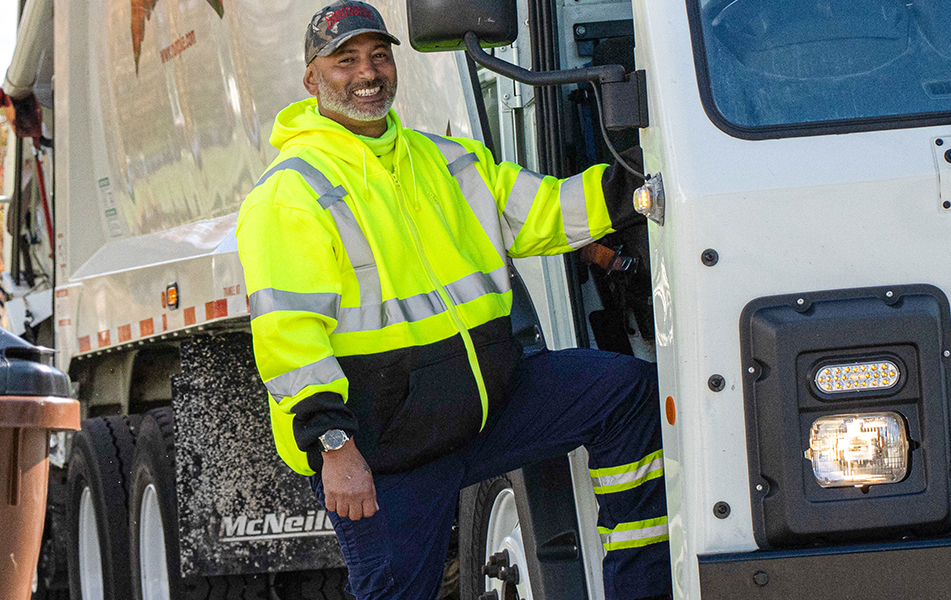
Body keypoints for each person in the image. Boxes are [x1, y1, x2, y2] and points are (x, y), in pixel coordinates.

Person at [234, 2, 668, 599]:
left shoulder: (445, 160)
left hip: (485, 412)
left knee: (623, 394)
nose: (368, 72)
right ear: (312, 79)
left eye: (380, 56)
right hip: (387, 452)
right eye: (346, 61)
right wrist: (335, 449)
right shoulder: (291, 193)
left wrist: (648, 180)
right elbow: (289, 339)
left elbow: (547, 212)